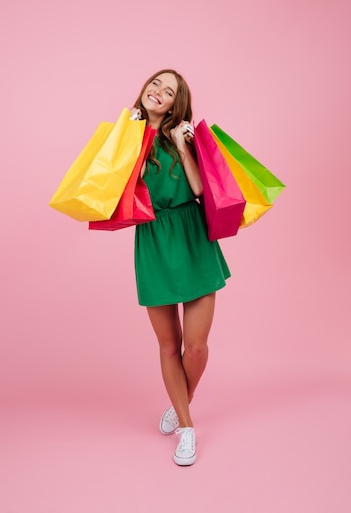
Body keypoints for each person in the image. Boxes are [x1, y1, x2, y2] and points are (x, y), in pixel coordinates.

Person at [131, 69, 231, 466]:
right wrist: (131, 138)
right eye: (155, 84)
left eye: (168, 91)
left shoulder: (181, 137)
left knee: (197, 346)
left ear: (176, 104)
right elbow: (123, 187)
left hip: (192, 237)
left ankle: (179, 401)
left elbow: (200, 190)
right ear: (144, 90)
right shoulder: (125, 136)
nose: (158, 92)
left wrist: (180, 144)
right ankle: (186, 429)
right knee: (169, 345)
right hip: (154, 241)